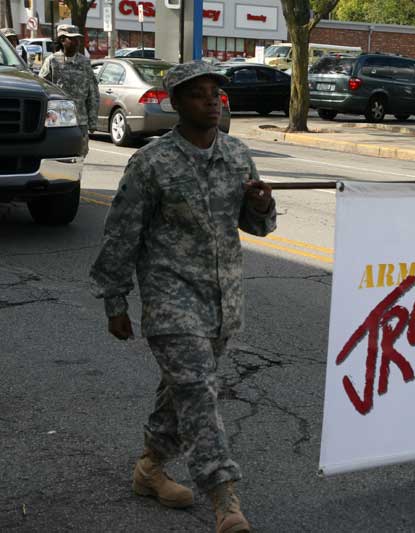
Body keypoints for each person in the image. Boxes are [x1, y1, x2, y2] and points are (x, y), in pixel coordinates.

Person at [89, 61, 276, 533]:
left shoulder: (237, 155)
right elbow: (121, 236)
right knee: (198, 390)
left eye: (216, 93)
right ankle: (224, 498)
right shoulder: (152, 163)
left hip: (221, 303)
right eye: (199, 94)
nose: (212, 101)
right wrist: (116, 301)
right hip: (170, 301)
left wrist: (261, 204)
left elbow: (258, 227)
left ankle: (150, 468)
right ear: (176, 103)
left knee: (182, 391)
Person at [39, 24, 98, 157]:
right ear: (62, 40)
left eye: (78, 39)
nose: (77, 42)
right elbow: (42, 89)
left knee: (80, 155)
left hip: (80, 121)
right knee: (56, 155)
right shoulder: (52, 61)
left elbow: (92, 92)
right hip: (57, 121)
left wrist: (93, 120)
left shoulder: (85, 63)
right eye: (72, 39)